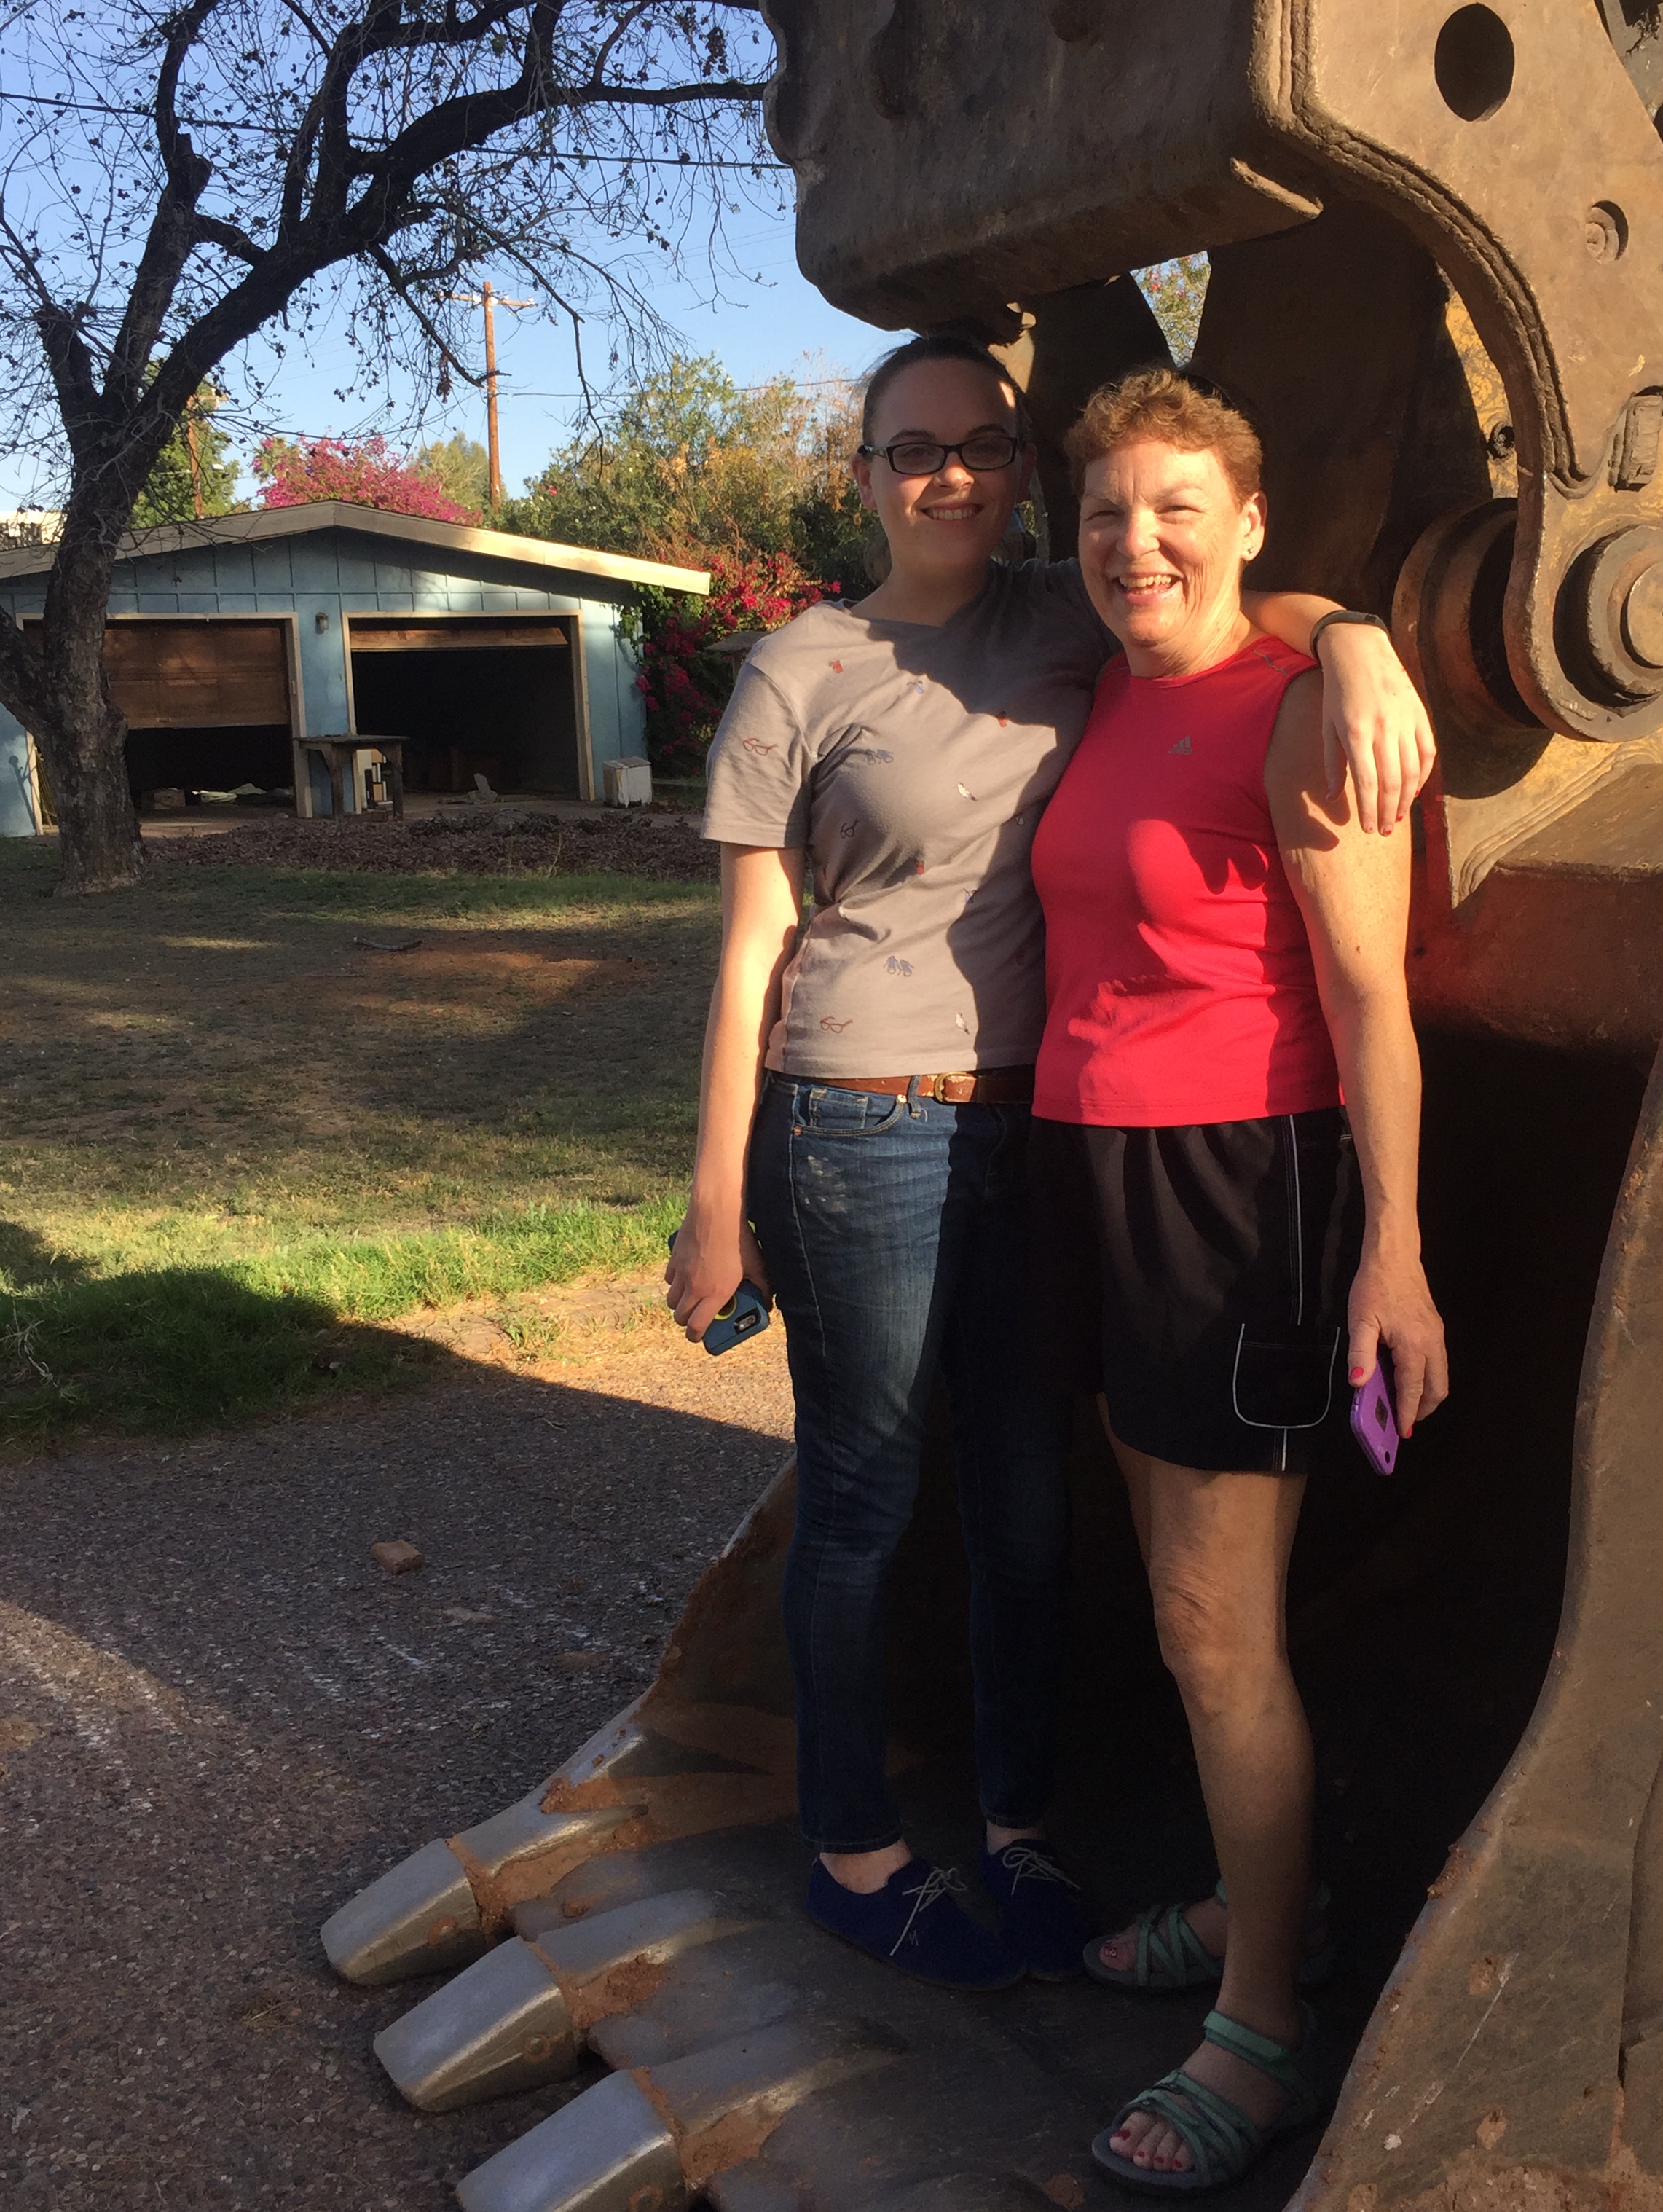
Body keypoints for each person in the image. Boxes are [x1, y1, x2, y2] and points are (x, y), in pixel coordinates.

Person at [664, 332, 1438, 1993]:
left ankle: (1049, 1850)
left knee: (1051, 1518)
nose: (951, 474)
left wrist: (1360, 640)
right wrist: (712, 1198)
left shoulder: (1071, 623)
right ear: (864, 477)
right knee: (877, 1493)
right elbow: (749, 950)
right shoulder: (815, 664)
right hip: (879, 1123)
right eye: (910, 448)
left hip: (1099, 1144)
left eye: (981, 445)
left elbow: (1234, 612)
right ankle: (858, 1846)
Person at [1023, 366, 1449, 2189]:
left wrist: (1398, 1259)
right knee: (1179, 1606)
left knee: (1219, 1631)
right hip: (1089, 1165)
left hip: (1233, 1186)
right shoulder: (1119, 676)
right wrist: (1340, 616)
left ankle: (1263, 2026)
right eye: (1109, 510)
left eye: (1177, 507)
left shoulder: (1297, 718)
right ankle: (1253, 1910)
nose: (1139, 541)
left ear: (1248, 520)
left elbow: (1374, 1008)